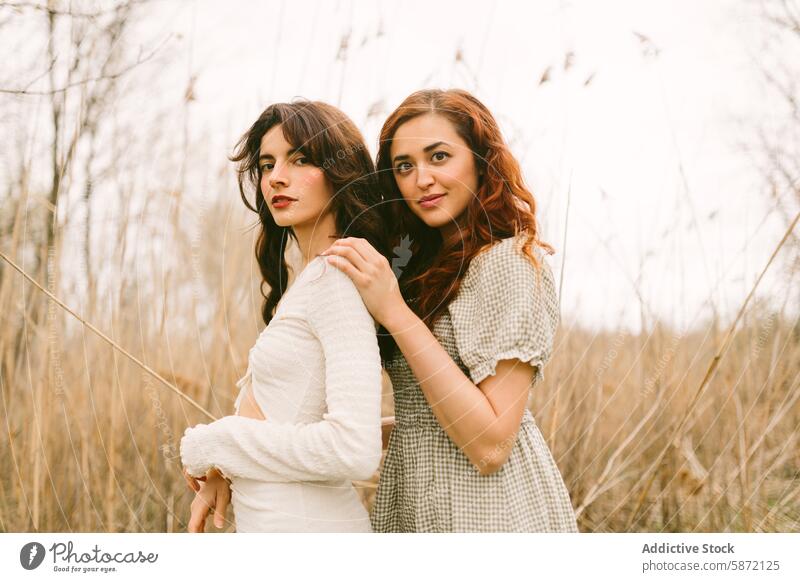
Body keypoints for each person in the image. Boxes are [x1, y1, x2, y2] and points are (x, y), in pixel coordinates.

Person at [322, 88, 580, 532]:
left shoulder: (511, 262)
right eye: (404, 166)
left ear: (481, 161)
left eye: (439, 157)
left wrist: (394, 311)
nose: (421, 178)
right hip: (415, 502)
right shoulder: (420, 270)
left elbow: (490, 444)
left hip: (493, 514)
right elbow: (424, 417)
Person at [179, 100, 389, 532]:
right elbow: (286, 416)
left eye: (301, 159)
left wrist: (215, 442)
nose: (276, 177)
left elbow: (353, 449)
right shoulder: (312, 279)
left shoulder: (335, 279)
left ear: (340, 171)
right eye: (267, 163)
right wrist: (225, 467)